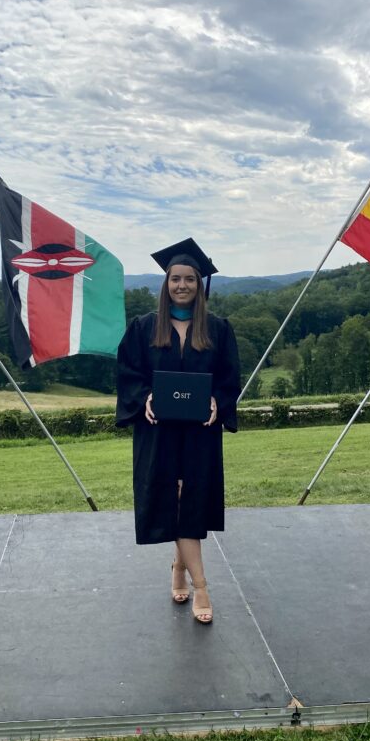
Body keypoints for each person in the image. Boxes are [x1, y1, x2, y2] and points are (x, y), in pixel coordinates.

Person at [116, 238, 240, 624]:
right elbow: (127, 375)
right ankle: (201, 584)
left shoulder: (218, 329)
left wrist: (219, 400)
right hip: (160, 432)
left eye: (189, 279)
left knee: (192, 500)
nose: (182, 285)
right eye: (175, 279)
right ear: (166, 284)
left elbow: (229, 378)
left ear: (200, 285)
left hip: (200, 431)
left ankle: (181, 568)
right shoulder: (142, 328)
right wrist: (145, 398)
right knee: (175, 498)